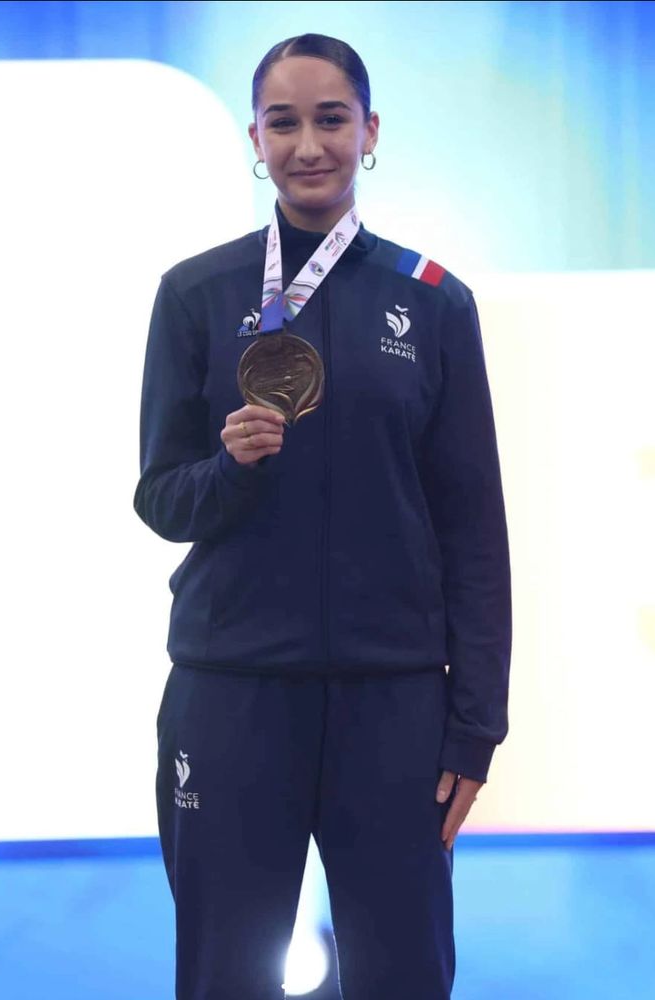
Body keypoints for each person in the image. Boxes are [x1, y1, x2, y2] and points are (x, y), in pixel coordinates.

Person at [133, 32, 512, 1000]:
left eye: (332, 119)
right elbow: (161, 497)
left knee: (404, 976)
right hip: (232, 693)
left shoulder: (434, 303)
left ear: (369, 131)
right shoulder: (195, 294)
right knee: (224, 976)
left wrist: (475, 726)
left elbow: (474, 531)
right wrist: (229, 469)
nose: (309, 144)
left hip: (393, 704)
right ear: (254, 139)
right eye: (284, 122)